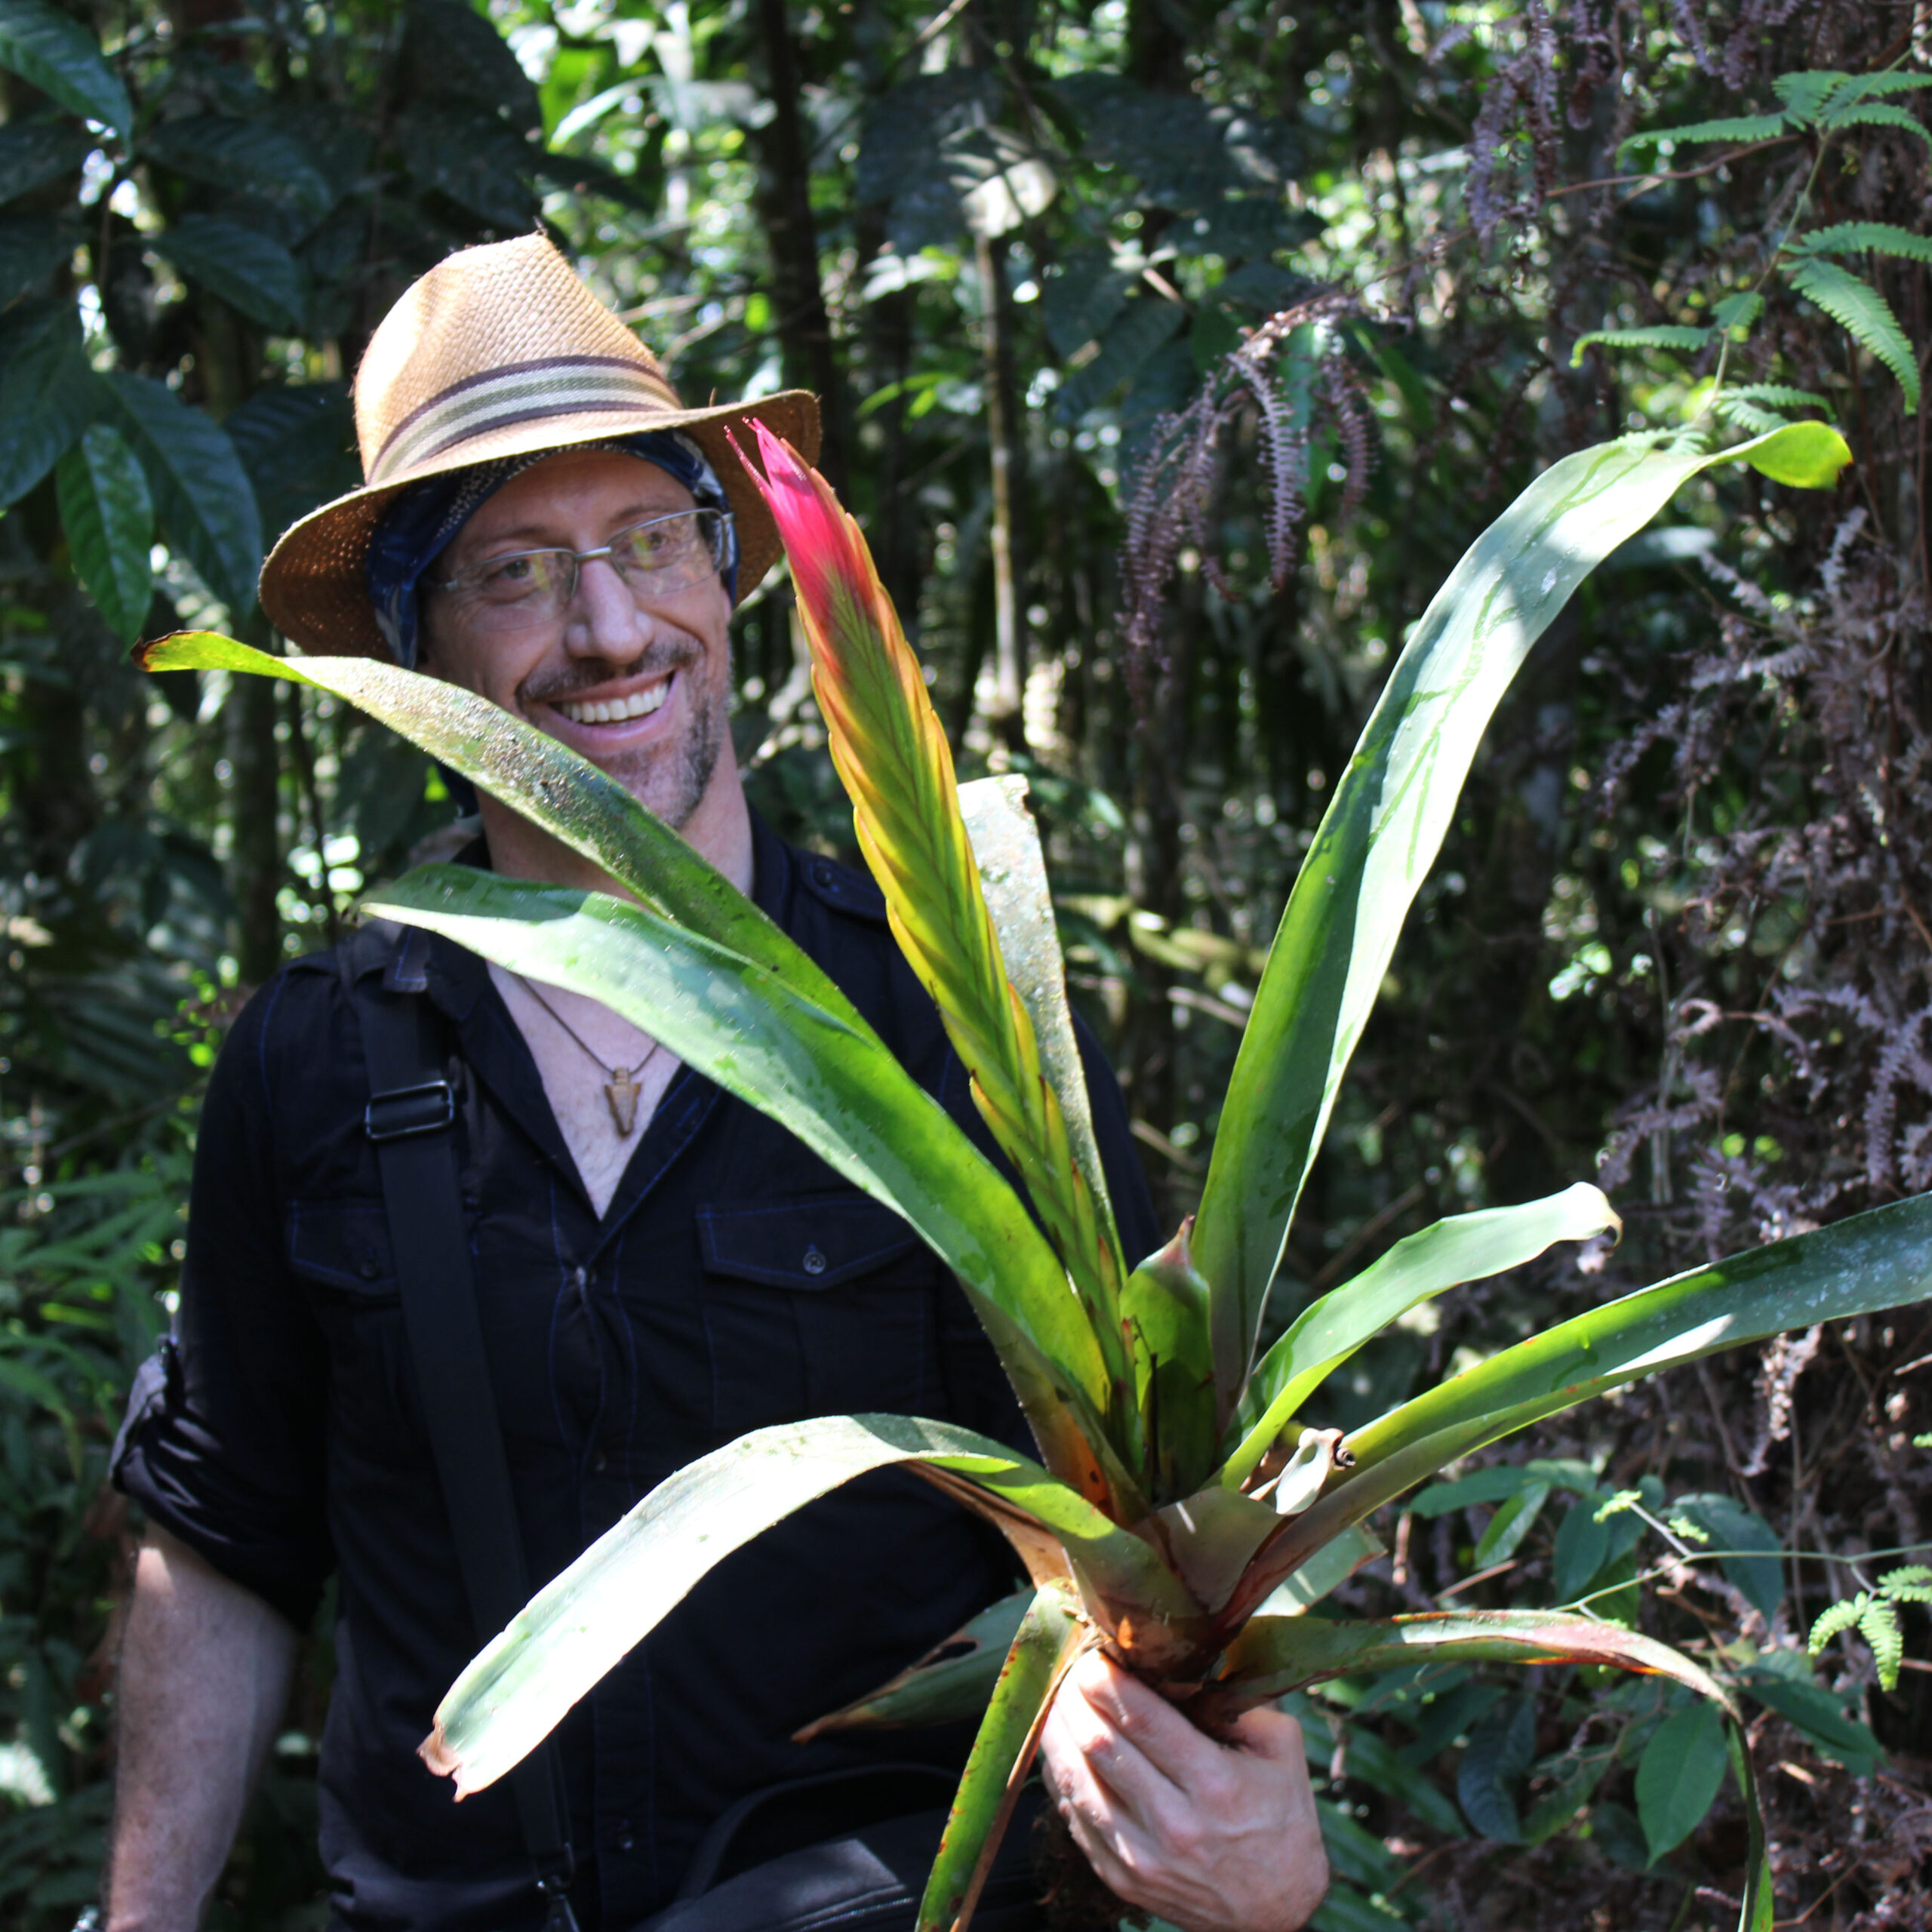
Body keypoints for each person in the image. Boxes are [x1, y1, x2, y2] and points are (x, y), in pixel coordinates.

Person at [103, 234, 1327, 1932]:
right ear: (418, 644)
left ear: (729, 571)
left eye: (648, 542)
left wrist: (1251, 1813)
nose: (609, 629)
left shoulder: (952, 1005)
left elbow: (1158, 1498)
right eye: (518, 570)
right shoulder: (315, 1055)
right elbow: (225, 1528)